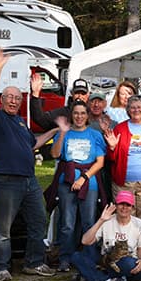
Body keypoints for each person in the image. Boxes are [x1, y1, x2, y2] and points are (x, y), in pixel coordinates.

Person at [0, 47, 57, 281]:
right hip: (5, 179)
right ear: (2, 100)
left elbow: (33, 144)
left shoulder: (20, 122)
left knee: (38, 221)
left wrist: (56, 130)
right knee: (3, 227)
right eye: (10, 98)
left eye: (17, 98)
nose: (14, 101)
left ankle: (34, 263)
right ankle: (0, 267)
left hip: (29, 180)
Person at [49, 100, 107, 272]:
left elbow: (100, 162)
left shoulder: (94, 135)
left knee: (89, 221)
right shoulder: (64, 133)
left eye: (83, 113)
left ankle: (89, 257)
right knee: (67, 223)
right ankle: (65, 258)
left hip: (89, 182)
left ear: (88, 115)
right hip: (66, 181)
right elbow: (55, 154)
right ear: (71, 115)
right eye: (76, 113)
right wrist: (62, 133)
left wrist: (83, 178)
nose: (79, 117)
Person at [104, 95, 141, 245]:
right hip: (124, 182)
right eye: (133, 107)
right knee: (124, 216)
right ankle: (126, 249)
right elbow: (111, 159)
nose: (136, 110)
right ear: (128, 110)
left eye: (139, 107)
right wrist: (111, 148)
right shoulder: (120, 129)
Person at [70, 191, 141, 281]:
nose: (124, 207)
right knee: (76, 256)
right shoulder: (107, 220)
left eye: (128, 205)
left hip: (126, 263)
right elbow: (85, 241)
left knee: (129, 264)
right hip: (106, 261)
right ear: (115, 205)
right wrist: (101, 220)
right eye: (121, 204)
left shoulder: (140, 224)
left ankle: (91, 276)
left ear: (132, 208)